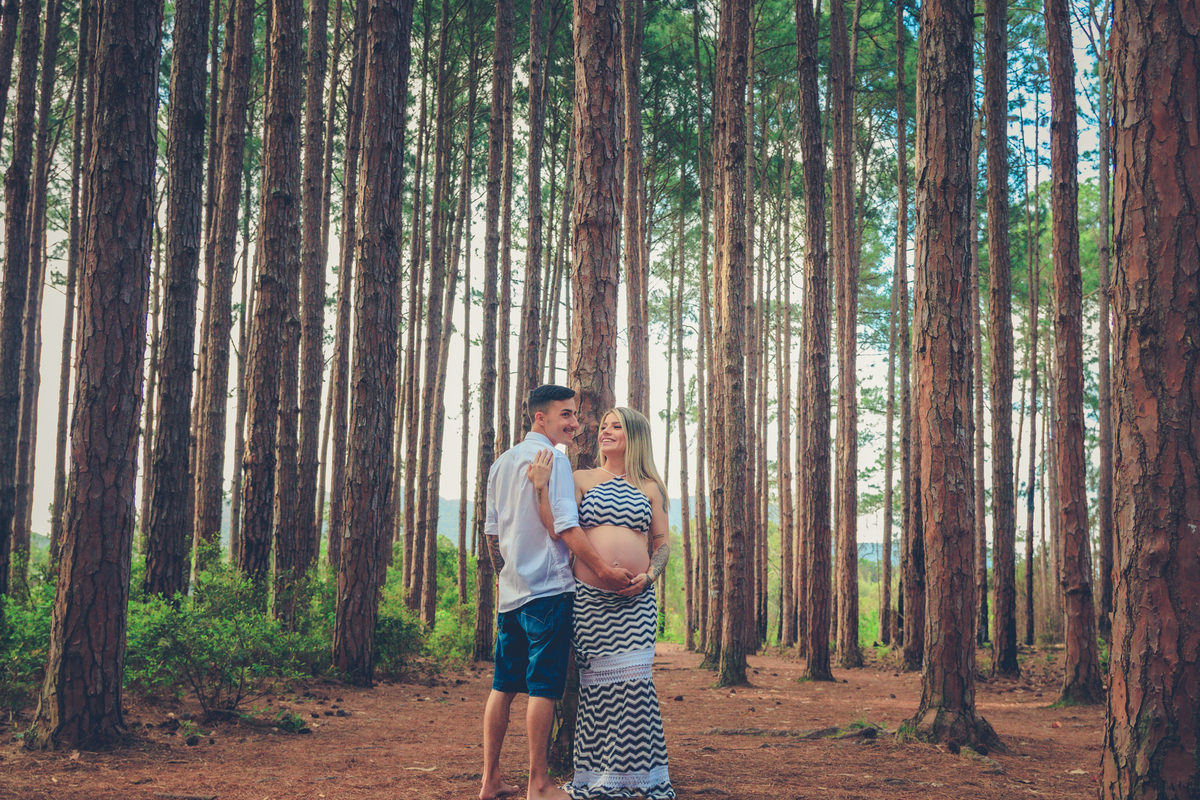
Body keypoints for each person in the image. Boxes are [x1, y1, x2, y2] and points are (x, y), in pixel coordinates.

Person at [480, 385, 635, 800]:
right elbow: (566, 528)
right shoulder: (556, 462)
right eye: (565, 415)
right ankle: (539, 784)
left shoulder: (502, 464)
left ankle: (490, 781)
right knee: (544, 688)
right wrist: (603, 570)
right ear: (540, 418)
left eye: (576, 415)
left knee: (504, 686)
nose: (574, 423)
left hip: (511, 595)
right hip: (548, 591)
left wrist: (505, 579)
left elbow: (492, 536)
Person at [529, 407, 676, 800]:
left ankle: (642, 782)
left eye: (617, 426)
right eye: (605, 426)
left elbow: (661, 545)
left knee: (637, 689)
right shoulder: (581, 478)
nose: (606, 432)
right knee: (601, 693)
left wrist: (651, 575)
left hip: (638, 603)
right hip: (592, 603)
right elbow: (557, 528)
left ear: (635, 435)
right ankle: (601, 781)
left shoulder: (651, 488)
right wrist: (541, 489)